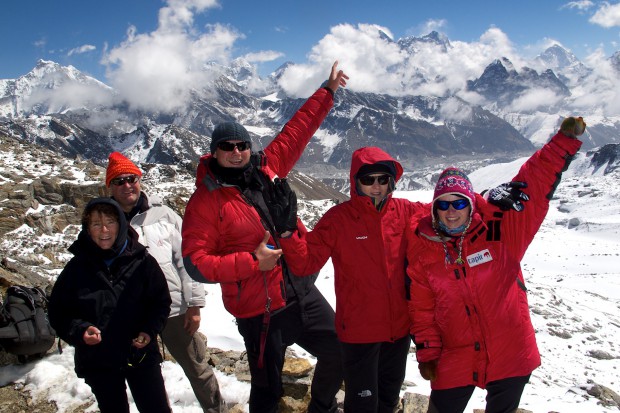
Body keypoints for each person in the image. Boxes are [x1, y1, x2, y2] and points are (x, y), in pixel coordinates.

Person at [274, 146, 526, 413]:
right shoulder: (338, 220)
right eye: (368, 179)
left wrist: (484, 198)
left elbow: (449, 206)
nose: (376, 186)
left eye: (383, 179)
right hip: (359, 333)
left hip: (398, 332)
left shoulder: (405, 212)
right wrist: (289, 233)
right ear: (355, 181)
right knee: (361, 405)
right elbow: (305, 264)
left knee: (387, 401)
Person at [181, 61, 349, 413]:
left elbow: (297, 131)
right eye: (227, 146)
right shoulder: (205, 201)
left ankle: (321, 407)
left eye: (242, 144)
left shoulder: (265, 166)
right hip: (260, 310)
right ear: (214, 152)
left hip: (300, 290)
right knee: (267, 389)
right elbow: (196, 264)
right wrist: (251, 262)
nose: (236, 151)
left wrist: (327, 92)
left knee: (339, 347)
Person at [406, 117, 586, 413]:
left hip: (510, 351)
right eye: (444, 204)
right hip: (456, 354)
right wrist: (428, 352)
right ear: (434, 208)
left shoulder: (500, 233)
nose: (452, 212)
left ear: (471, 203)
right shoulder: (425, 248)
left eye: (460, 203)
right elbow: (422, 309)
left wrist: (562, 142)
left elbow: (535, 184)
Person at [104, 151, 227, 412]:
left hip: (174, 309)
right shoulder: (105, 223)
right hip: (133, 316)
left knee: (197, 368)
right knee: (145, 376)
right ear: (110, 187)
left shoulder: (164, 215)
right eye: (119, 181)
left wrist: (194, 304)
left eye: (132, 178)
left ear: (140, 181)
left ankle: (217, 410)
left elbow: (187, 260)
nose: (127, 185)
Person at [48, 197, 172, 413]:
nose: (104, 230)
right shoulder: (76, 268)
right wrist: (80, 331)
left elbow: (160, 302)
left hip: (139, 355)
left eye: (110, 222)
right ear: (87, 229)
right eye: (96, 224)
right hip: (98, 359)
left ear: (121, 224)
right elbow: (59, 313)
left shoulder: (141, 261)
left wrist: (148, 330)